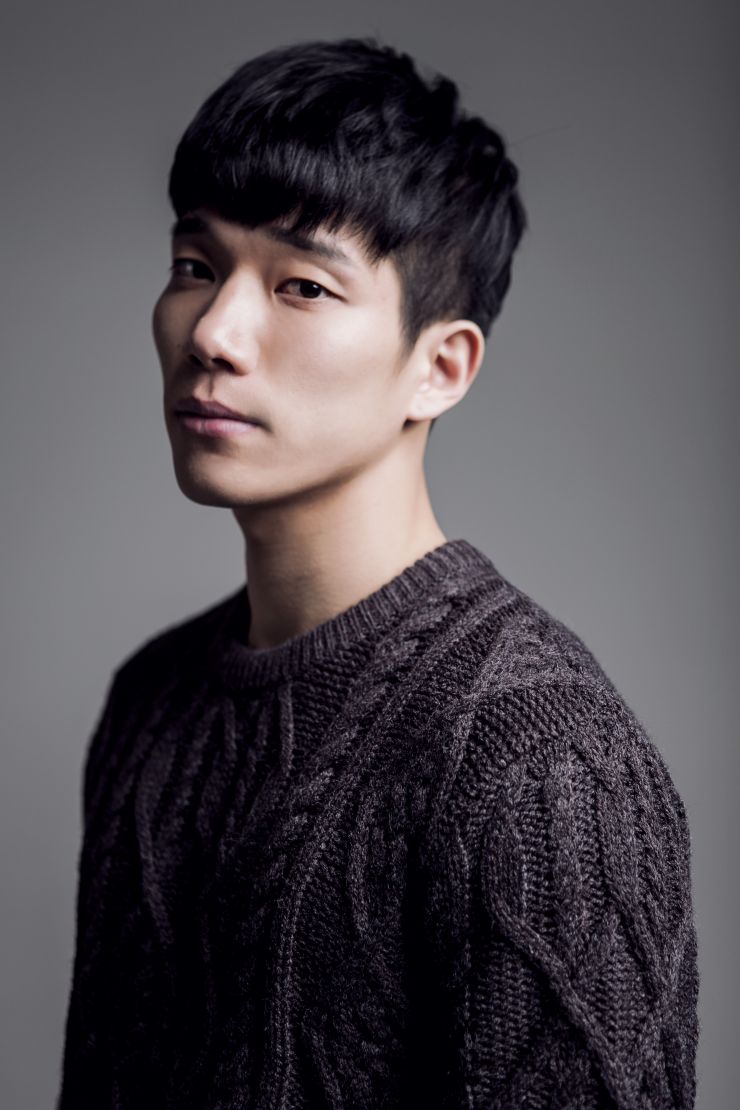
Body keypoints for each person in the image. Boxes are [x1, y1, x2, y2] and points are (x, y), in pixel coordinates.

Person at [56, 36, 699, 1109]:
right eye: (194, 267)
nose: (213, 332)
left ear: (438, 368)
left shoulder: (543, 763)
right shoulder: (152, 702)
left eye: (302, 286)